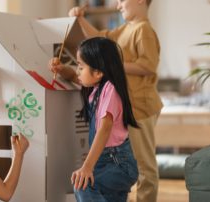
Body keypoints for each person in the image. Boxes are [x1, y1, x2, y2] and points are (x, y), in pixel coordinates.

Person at [66, 1, 163, 201]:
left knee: (145, 165)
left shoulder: (143, 30)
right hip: (129, 108)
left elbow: (148, 66)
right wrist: (81, 19)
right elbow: (101, 40)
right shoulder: (127, 28)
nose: (118, 5)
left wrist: (112, 64)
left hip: (141, 106)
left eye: (121, 0)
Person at [50, 37, 139, 202]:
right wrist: (61, 69)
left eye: (80, 66)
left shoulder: (110, 90)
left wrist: (86, 167)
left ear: (98, 72)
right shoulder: (97, 86)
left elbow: (104, 129)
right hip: (106, 162)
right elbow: (73, 76)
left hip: (119, 164)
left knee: (82, 184)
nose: (77, 70)